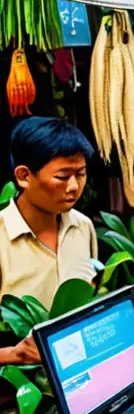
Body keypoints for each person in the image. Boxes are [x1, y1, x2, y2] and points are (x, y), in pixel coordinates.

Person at [0, 118, 98, 365]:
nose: (74, 186)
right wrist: (13, 354)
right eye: (62, 177)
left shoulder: (83, 227)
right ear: (24, 176)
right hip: (19, 393)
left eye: (81, 174)